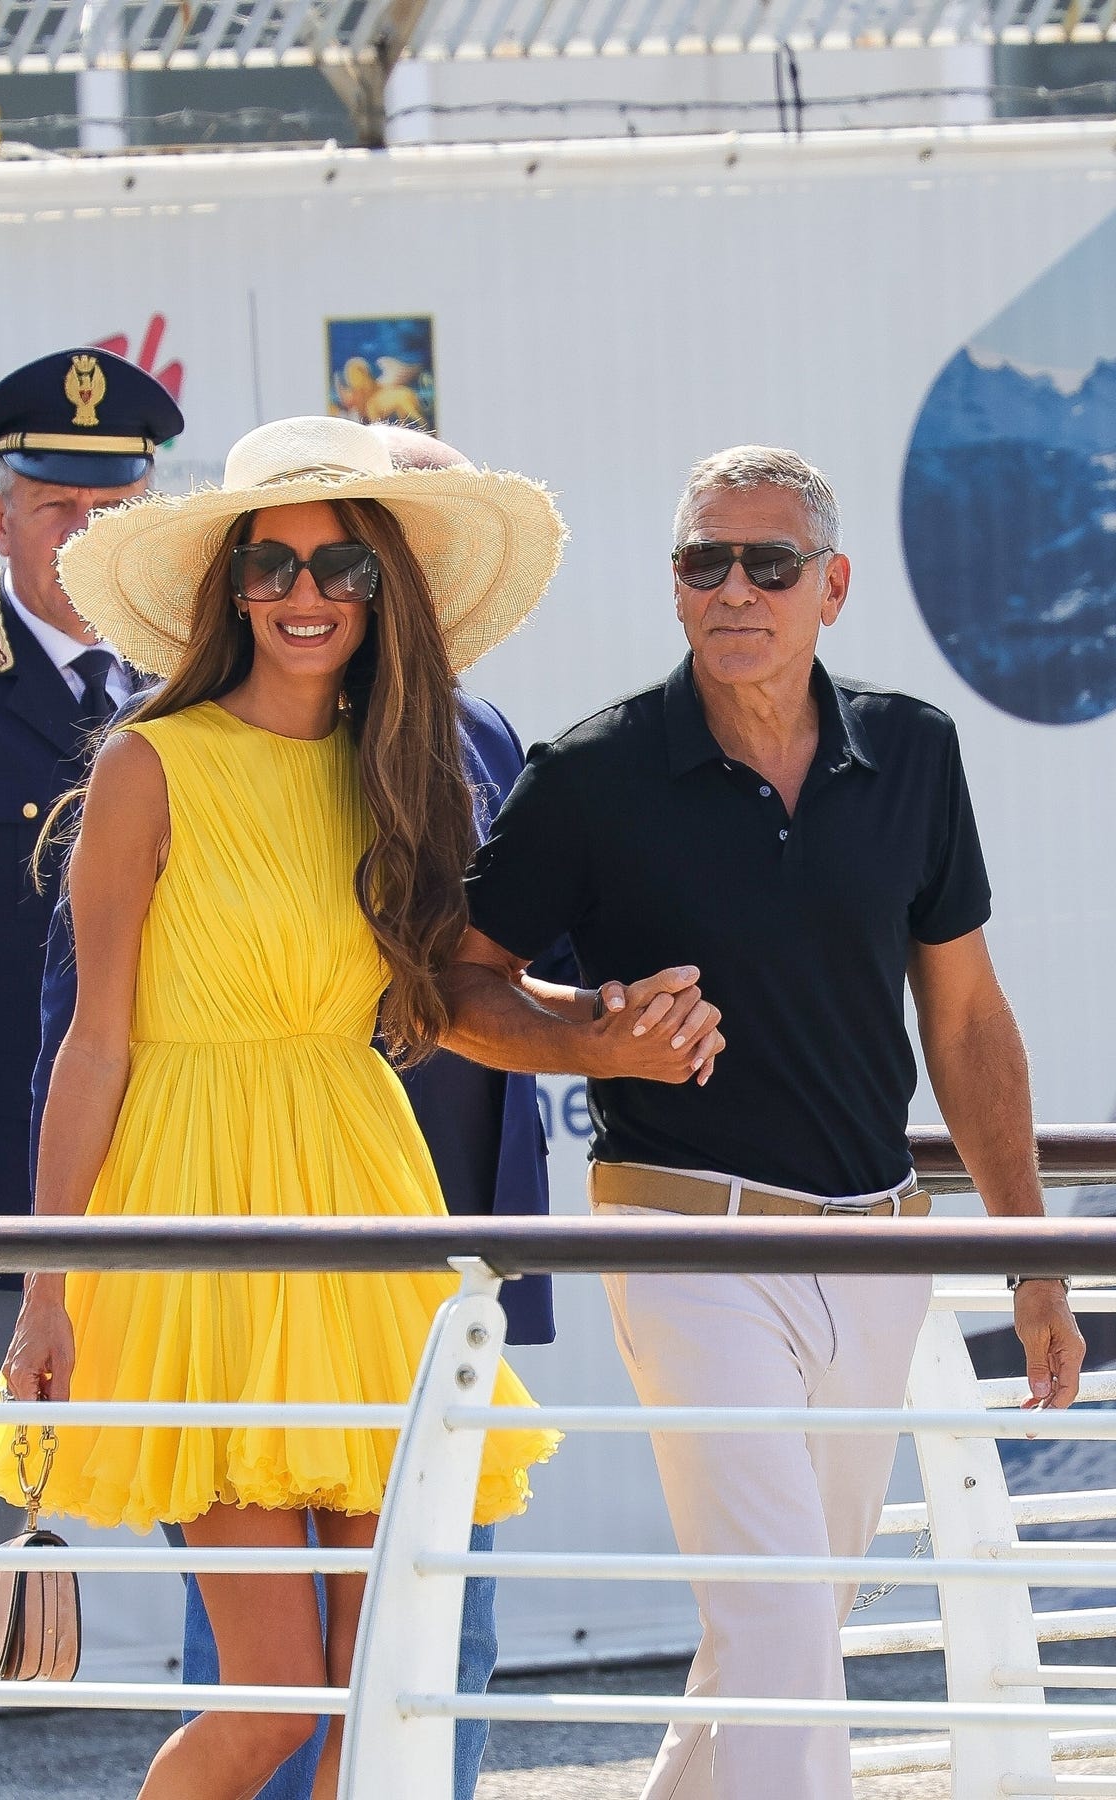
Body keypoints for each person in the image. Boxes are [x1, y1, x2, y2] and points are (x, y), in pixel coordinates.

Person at [442, 445, 1087, 1800]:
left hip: (879, 1254)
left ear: (831, 587)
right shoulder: (593, 776)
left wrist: (1032, 1265)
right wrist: (588, 1034)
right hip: (687, 1246)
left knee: (777, 1634)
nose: (736, 588)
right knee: (787, 1626)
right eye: (703, 562)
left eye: (769, 563)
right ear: (676, 589)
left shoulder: (913, 753)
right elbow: (448, 986)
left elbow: (965, 1024)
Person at [0, 414, 580, 1800]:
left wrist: (621, 1028)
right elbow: (93, 1047)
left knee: (378, 1690)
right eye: (273, 568)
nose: (306, 596)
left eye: (342, 571)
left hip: (365, 1209)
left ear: (383, 595)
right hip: (198, 1222)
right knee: (277, 1697)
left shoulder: (402, 772)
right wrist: (46, 1291)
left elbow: (452, 1000)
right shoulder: (150, 762)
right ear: (230, 591)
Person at [0, 346, 181, 1800]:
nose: (83, 535)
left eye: (114, 507)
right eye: (55, 507)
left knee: (256, 1533)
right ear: (1, 514)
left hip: (184, 1194)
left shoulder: (211, 696)